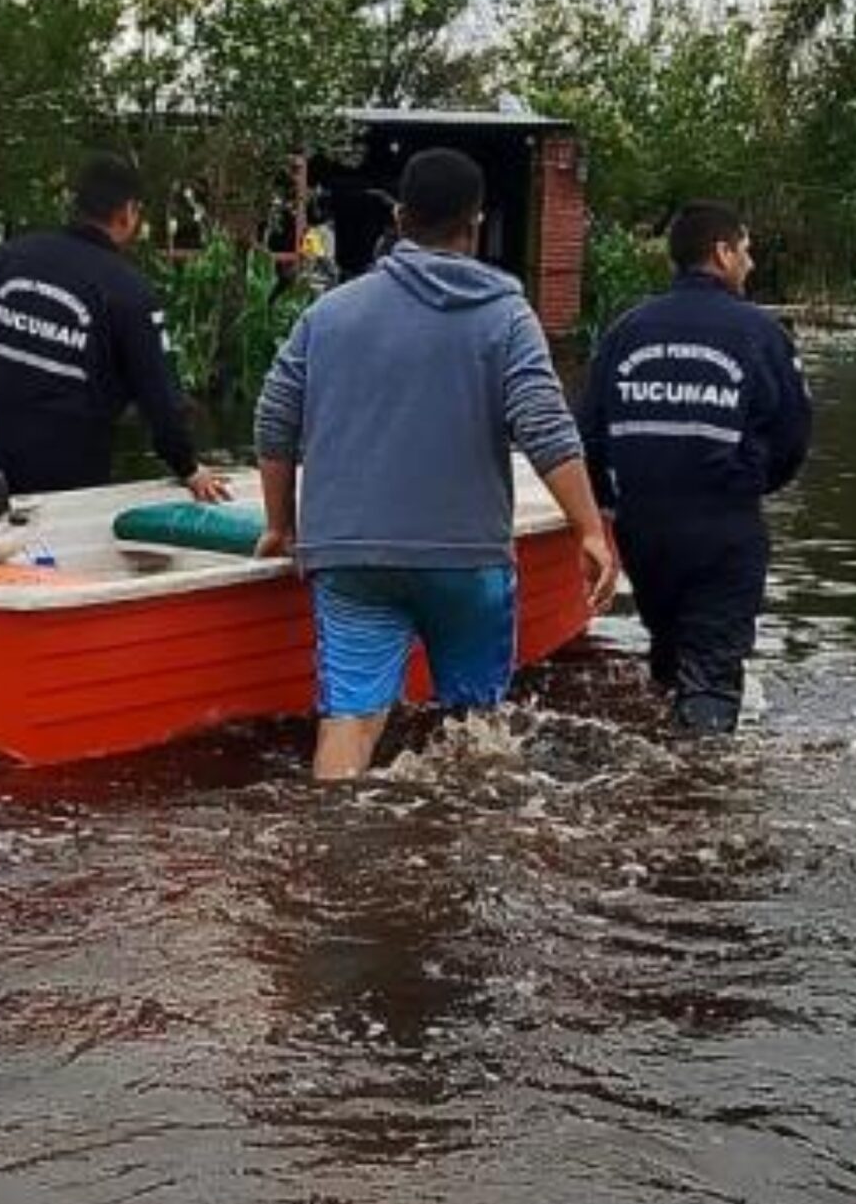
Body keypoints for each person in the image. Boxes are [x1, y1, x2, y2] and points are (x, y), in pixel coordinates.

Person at [254, 147, 619, 781]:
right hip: (465, 559)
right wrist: (589, 529)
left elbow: (273, 421)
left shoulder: (328, 315)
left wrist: (281, 526)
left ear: (397, 219)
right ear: (476, 226)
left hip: (350, 556)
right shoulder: (506, 316)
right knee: (476, 727)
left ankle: (329, 854)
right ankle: (465, 856)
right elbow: (544, 427)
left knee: (350, 719)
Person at [579, 201, 810, 735]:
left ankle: (655, 780)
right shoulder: (761, 334)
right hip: (722, 528)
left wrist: (613, 505)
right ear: (722, 253)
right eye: (746, 251)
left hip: (644, 533)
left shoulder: (624, 332)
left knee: (668, 656)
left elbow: (587, 434)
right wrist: (746, 481)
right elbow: (793, 437)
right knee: (709, 676)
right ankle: (697, 800)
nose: (750, 264)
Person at [0, 153, 230, 501]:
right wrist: (189, 467)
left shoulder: (9, 258)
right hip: (73, 472)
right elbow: (159, 395)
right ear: (127, 213)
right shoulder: (128, 291)